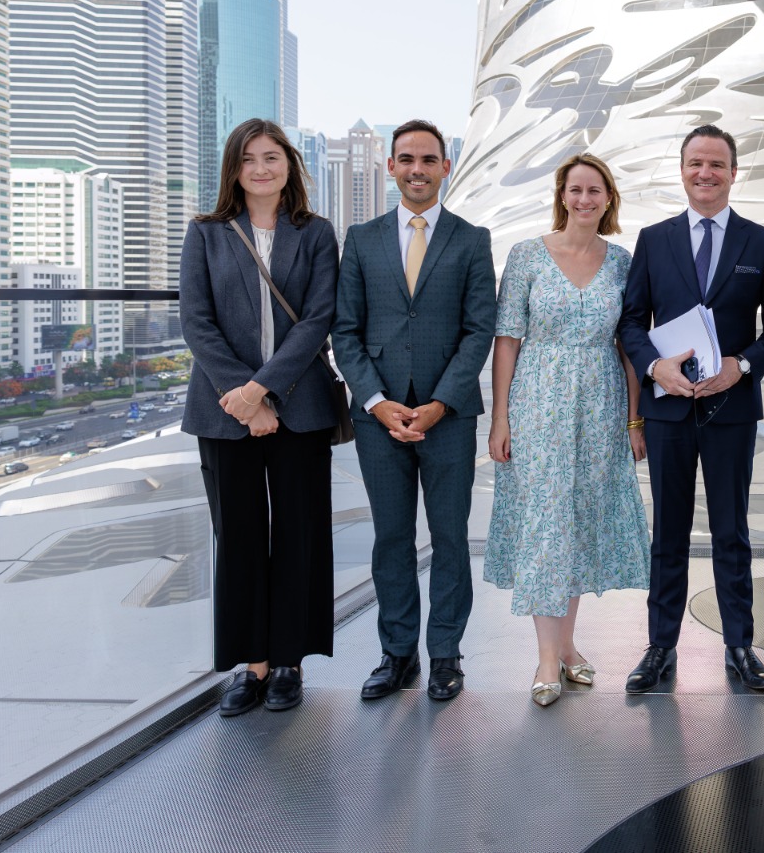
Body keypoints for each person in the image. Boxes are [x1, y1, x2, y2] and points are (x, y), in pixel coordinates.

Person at [618, 125, 764, 694]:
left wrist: (742, 365)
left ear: (734, 172)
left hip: (730, 410)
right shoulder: (654, 240)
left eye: (717, 164)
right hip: (668, 410)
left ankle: (740, 645)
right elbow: (631, 321)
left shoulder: (761, 243)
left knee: (731, 531)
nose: (705, 173)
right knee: (667, 532)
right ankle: (660, 646)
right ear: (682, 170)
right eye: (696, 163)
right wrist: (654, 368)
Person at [180, 118, 342, 716]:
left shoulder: (316, 232)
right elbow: (196, 321)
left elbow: (318, 319)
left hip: (300, 406)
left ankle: (289, 662)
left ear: (289, 165)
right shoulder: (206, 232)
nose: (261, 168)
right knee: (239, 534)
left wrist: (264, 390)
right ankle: (251, 665)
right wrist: (243, 397)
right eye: (248, 159)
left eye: (271, 157)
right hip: (224, 409)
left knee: (301, 532)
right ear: (234, 168)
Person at [331, 119, 496, 702]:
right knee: (392, 539)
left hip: (448, 417)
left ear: (446, 167)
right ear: (391, 167)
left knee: (450, 538)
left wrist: (440, 403)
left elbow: (479, 330)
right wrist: (377, 403)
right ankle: (397, 655)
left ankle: (446, 654)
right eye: (407, 159)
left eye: (428, 159)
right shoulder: (361, 238)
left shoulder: (472, 239)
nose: (417, 169)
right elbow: (344, 331)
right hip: (380, 417)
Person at [485, 154, 650, 707]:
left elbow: (629, 347)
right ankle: (546, 657)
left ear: (608, 199)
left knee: (578, 525)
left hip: (601, 406)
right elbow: (507, 339)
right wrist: (501, 417)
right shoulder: (527, 255)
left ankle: (568, 645)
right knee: (545, 525)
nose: (584, 199)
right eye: (575, 190)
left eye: (594, 190)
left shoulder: (622, 262)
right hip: (539, 404)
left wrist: (633, 420)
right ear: (562, 195)